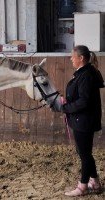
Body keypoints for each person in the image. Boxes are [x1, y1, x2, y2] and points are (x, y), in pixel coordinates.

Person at [61, 45, 103, 196]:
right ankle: (95, 182)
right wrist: (68, 101)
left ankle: (83, 186)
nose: (71, 59)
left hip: (84, 120)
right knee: (84, 152)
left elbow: (84, 101)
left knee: (84, 154)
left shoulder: (86, 75)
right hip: (82, 119)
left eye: (73, 56)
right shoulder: (84, 73)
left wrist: (66, 108)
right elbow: (80, 96)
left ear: (81, 58)